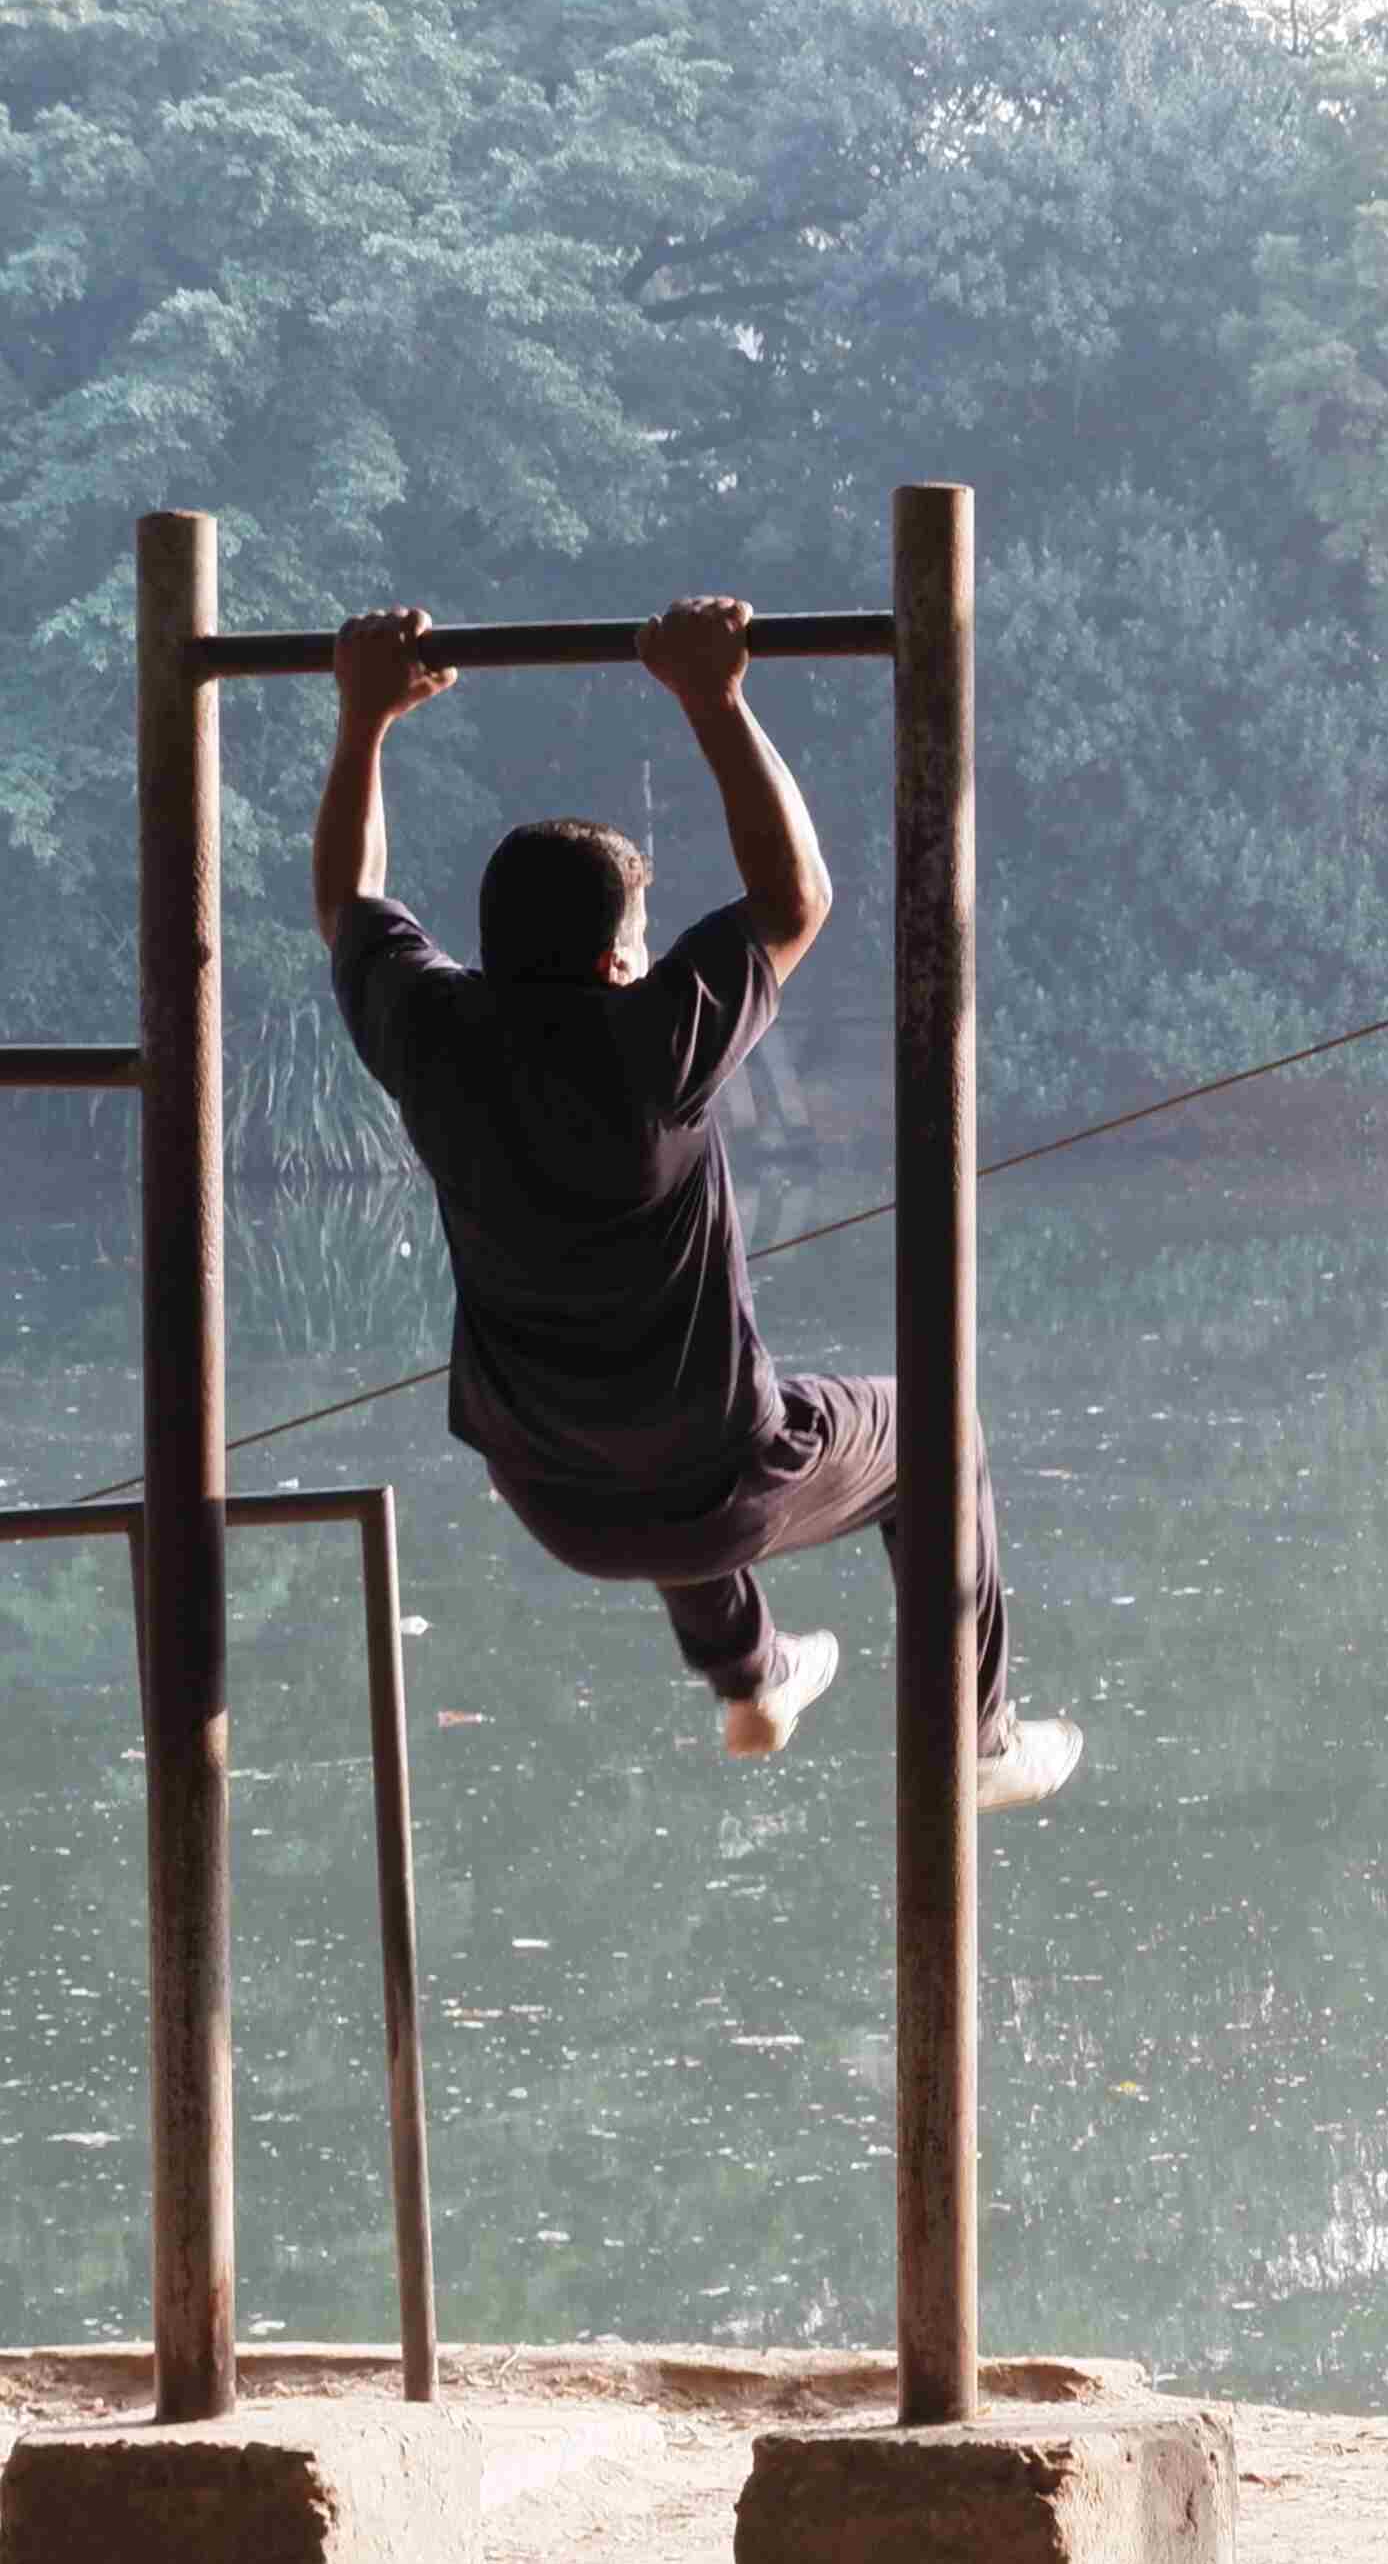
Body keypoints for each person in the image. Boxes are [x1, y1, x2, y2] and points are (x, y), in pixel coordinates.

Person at [312, 600, 1081, 1808]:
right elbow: (796, 896)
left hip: (550, 1498)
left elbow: (346, 904)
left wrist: (361, 723)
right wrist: (714, 699)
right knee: (942, 1433)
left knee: (668, 1399)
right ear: (624, 958)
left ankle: (752, 1672)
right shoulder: (652, 1042)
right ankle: (977, 1744)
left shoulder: (430, 1032)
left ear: (489, 943)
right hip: (714, 1493)